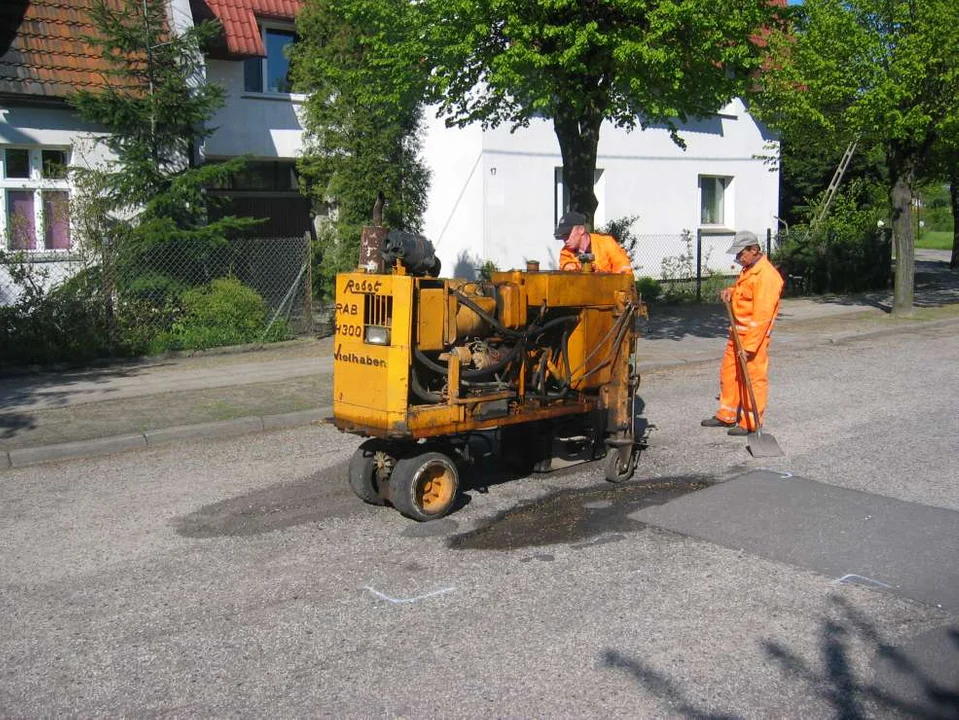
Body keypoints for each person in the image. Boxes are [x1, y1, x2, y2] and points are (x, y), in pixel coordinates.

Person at [701, 230, 784, 436]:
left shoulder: (767, 276)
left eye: (741, 253)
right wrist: (731, 291)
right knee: (729, 374)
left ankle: (750, 423)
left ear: (754, 250)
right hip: (736, 335)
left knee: (753, 379)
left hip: (751, 340)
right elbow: (745, 295)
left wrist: (749, 347)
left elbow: (762, 316)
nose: (738, 258)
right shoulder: (749, 270)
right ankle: (727, 415)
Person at [554, 211, 633, 274]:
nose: (565, 239)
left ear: (581, 230)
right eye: (563, 235)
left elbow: (624, 271)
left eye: (568, 234)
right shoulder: (565, 253)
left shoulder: (607, 243)